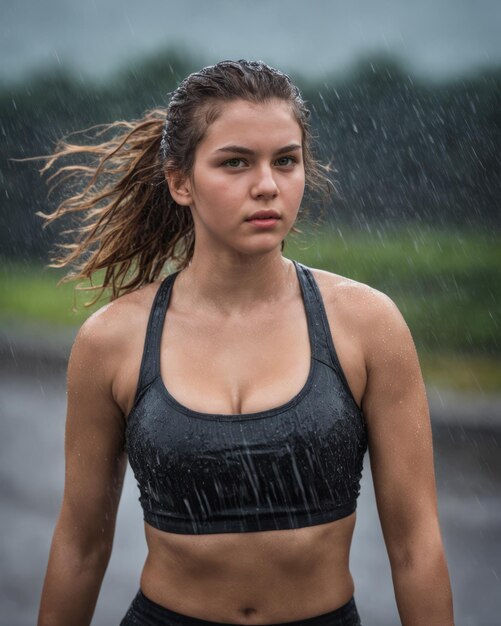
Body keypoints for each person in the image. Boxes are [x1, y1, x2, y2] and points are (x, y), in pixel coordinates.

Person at [36, 59, 454, 626]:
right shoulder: (112, 341)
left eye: (286, 161)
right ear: (180, 181)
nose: (266, 185)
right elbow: (81, 548)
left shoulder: (367, 325)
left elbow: (415, 547)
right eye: (235, 162)